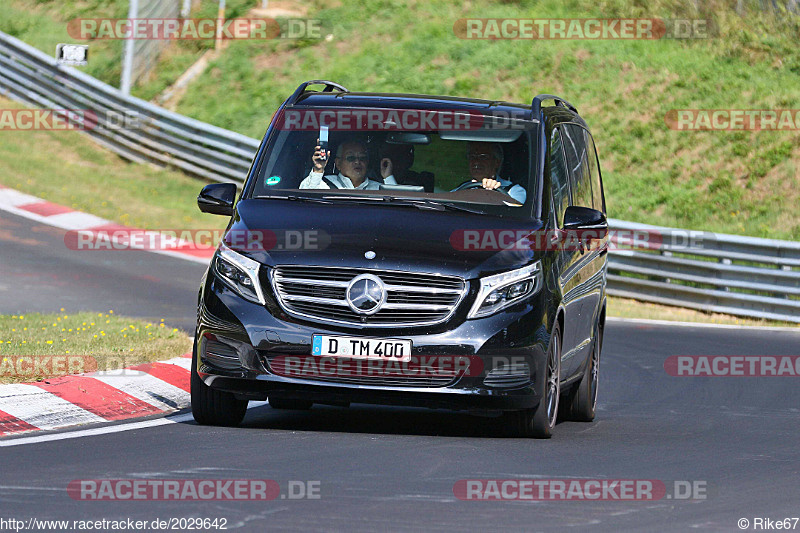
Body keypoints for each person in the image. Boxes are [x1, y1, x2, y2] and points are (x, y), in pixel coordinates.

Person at [299, 140, 396, 190]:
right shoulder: (324, 184)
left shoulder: (379, 188)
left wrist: (388, 177)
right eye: (351, 158)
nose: (357, 162)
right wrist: (318, 170)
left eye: (362, 158)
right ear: (338, 163)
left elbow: (397, 206)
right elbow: (305, 200)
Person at [461, 141, 526, 204]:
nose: (476, 162)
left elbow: (516, 212)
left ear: (496, 162)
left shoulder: (515, 191)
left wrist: (492, 194)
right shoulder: (462, 188)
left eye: (483, 157)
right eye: (472, 157)